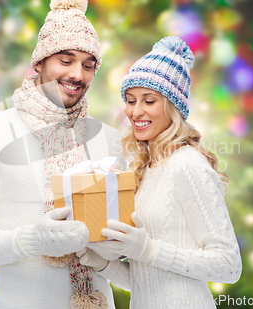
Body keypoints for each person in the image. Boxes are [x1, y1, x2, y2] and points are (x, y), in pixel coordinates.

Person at [0, 0, 126, 309]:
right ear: (40, 62)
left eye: (89, 65)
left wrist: (127, 244)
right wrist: (33, 239)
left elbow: (124, 253)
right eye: (65, 60)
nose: (77, 74)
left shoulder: (110, 140)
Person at [77, 36, 242, 309]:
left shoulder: (188, 165)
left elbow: (228, 265)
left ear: (172, 106)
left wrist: (149, 249)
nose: (135, 111)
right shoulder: (144, 168)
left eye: (149, 101)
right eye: (130, 100)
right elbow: (148, 280)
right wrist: (104, 263)